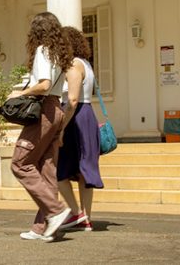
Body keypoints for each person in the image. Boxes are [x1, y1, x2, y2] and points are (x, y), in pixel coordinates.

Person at [7, 11, 73, 241]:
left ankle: (55, 211)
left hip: (44, 110)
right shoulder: (59, 54)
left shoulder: (43, 50)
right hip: (57, 111)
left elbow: (44, 85)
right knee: (46, 170)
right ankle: (42, 227)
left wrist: (20, 92)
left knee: (20, 163)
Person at [56, 26, 104, 232]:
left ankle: (76, 212)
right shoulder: (87, 64)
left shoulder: (74, 65)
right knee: (84, 169)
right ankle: (86, 217)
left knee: (60, 170)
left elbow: (73, 99)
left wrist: (61, 129)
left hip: (75, 117)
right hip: (87, 115)